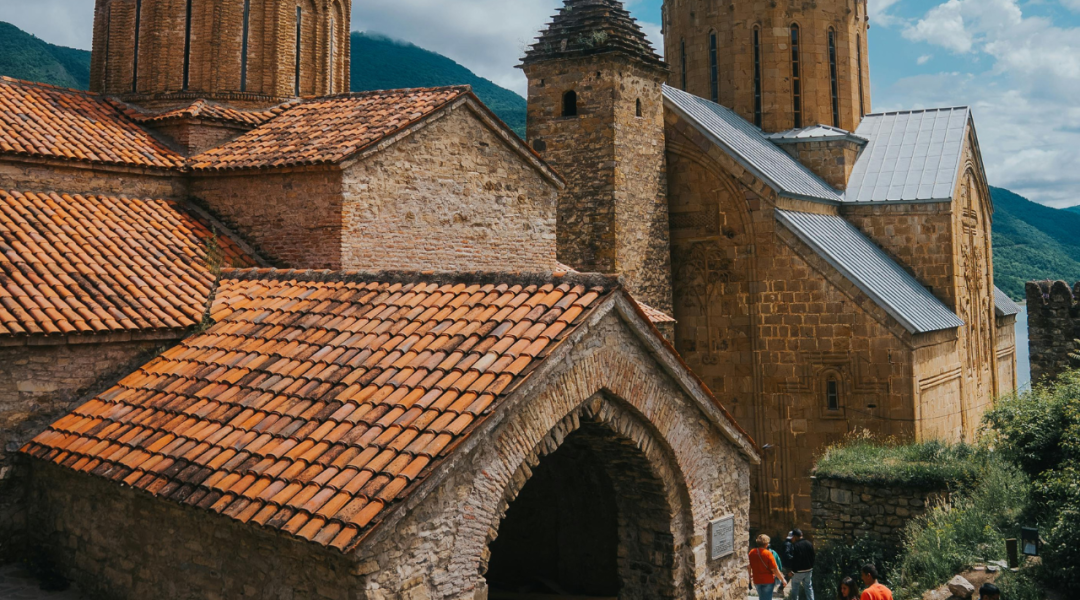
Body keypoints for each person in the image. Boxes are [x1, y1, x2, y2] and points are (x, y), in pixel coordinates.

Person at [748, 534, 787, 600]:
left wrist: (749, 576)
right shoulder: (768, 554)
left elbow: (749, 566)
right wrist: (782, 579)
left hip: (757, 580)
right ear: (766, 544)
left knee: (762, 598)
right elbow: (775, 569)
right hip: (768, 580)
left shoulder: (751, 552)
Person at [787, 529, 815, 600]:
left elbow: (796, 559)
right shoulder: (809, 543)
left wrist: (792, 571)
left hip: (798, 571)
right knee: (808, 587)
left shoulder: (795, 545)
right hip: (809, 570)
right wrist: (811, 567)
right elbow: (813, 556)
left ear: (795, 536)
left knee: (795, 587)